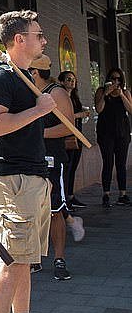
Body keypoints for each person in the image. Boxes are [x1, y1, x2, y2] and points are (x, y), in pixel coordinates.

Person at [0, 11, 70, 313]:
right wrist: (37, 111)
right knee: (13, 259)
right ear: (19, 39)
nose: (44, 41)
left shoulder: (24, 77)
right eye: (38, 35)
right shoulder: (0, 76)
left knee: (27, 261)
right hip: (12, 179)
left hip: (32, 177)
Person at [28, 57, 83, 281]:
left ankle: (59, 258)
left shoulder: (56, 92)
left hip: (51, 158)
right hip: (30, 159)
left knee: (54, 210)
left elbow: (69, 126)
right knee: (32, 211)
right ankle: (34, 258)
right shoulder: (28, 90)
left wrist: (39, 134)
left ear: (35, 72)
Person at [95, 67, 132, 209]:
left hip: (122, 133)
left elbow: (130, 110)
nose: (115, 81)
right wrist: (106, 93)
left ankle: (122, 194)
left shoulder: (125, 92)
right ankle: (106, 194)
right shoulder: (101, 91)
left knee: (121, 164)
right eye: (113, 78)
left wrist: (122, 95)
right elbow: (98, 109)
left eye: (118, 79)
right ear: (108, 79)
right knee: (108, 162)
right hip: (106, 133)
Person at [57, 71, 90, 209]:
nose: (71, 82)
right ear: (62, 82)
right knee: (66, 168)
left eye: (73, 80)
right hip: (65, 137)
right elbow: (63, 116)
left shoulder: (74, 97)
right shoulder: (60, 96)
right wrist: (79, 115)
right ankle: (64, 199)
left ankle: (70, 195)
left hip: (77, 135)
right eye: (69, 79)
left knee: (73, 167)